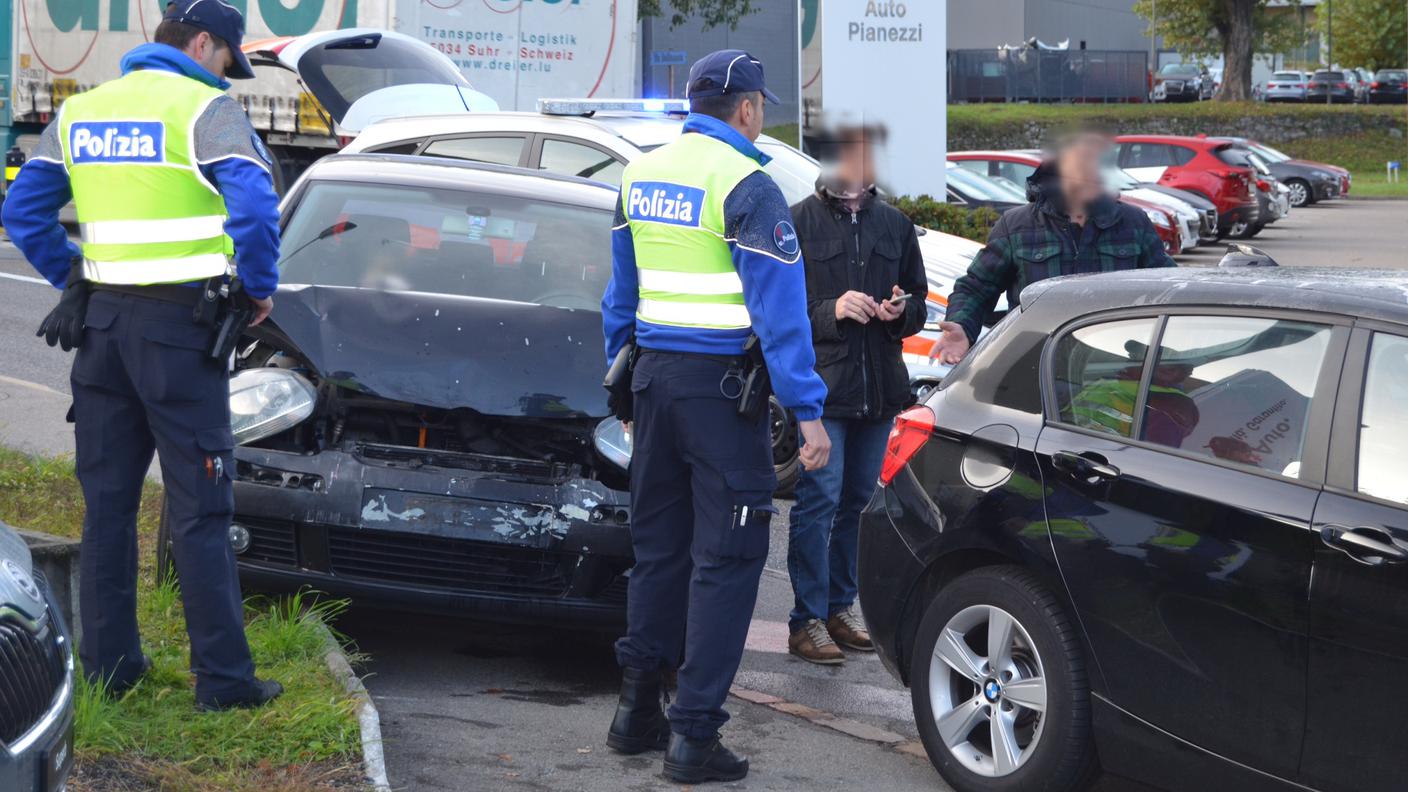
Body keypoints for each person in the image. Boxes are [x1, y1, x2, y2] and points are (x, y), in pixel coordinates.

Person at [1, 0, 283, 710]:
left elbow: (22, 211)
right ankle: (223, 682)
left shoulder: (86, 110)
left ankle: (109, 670)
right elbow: (253, 209)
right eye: (227, 60)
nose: (227, 75)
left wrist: (72, 276)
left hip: (100, 332)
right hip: (181, 333)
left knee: (108, 508)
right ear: (204, 43)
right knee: (199, 508)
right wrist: (258, 290)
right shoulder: (205, 109)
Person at [600, 50, 831, 784]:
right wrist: (809, 413)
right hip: (721, 396)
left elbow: (620, 298)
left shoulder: (639, 174)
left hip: (654, 387)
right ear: (747, 108)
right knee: (727, 563)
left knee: (659, 554)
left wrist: (626, 395)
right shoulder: (748, 184)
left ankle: (636, 712)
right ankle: (693, 737)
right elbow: (780, 312)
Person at [786, 124, 926, 664]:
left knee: (858, 504)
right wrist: (832, 310)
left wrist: (900, 311)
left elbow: (917, 301)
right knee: (818, 501)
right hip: (823, 388)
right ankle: (806, 620)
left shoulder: (895, 224)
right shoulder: (798, 222)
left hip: (879, 389)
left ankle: (840, 608)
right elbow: (776, 312)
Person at [930, 131, 1176, 365]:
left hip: (1115, 363)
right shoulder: (1017, 226)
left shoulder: (1132, 223)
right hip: (1039, 362)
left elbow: (1169, 285)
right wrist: (962, 326)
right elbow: (976, 288)